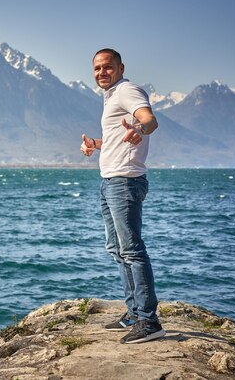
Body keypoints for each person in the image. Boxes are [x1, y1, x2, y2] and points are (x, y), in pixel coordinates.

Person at [80, 48, 165, 344]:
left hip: (125, 183)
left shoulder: (127, 90)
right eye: (97, 68)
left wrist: (140, 129)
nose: (102, 72)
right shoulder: (111, 96)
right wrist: (95, 143)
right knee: (117, 249)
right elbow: (120, 138)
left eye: (107, 67)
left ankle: (149, 320)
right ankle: (133, 313)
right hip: (110, 181)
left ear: (120, 67)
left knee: (132, 250)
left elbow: (149, 121)